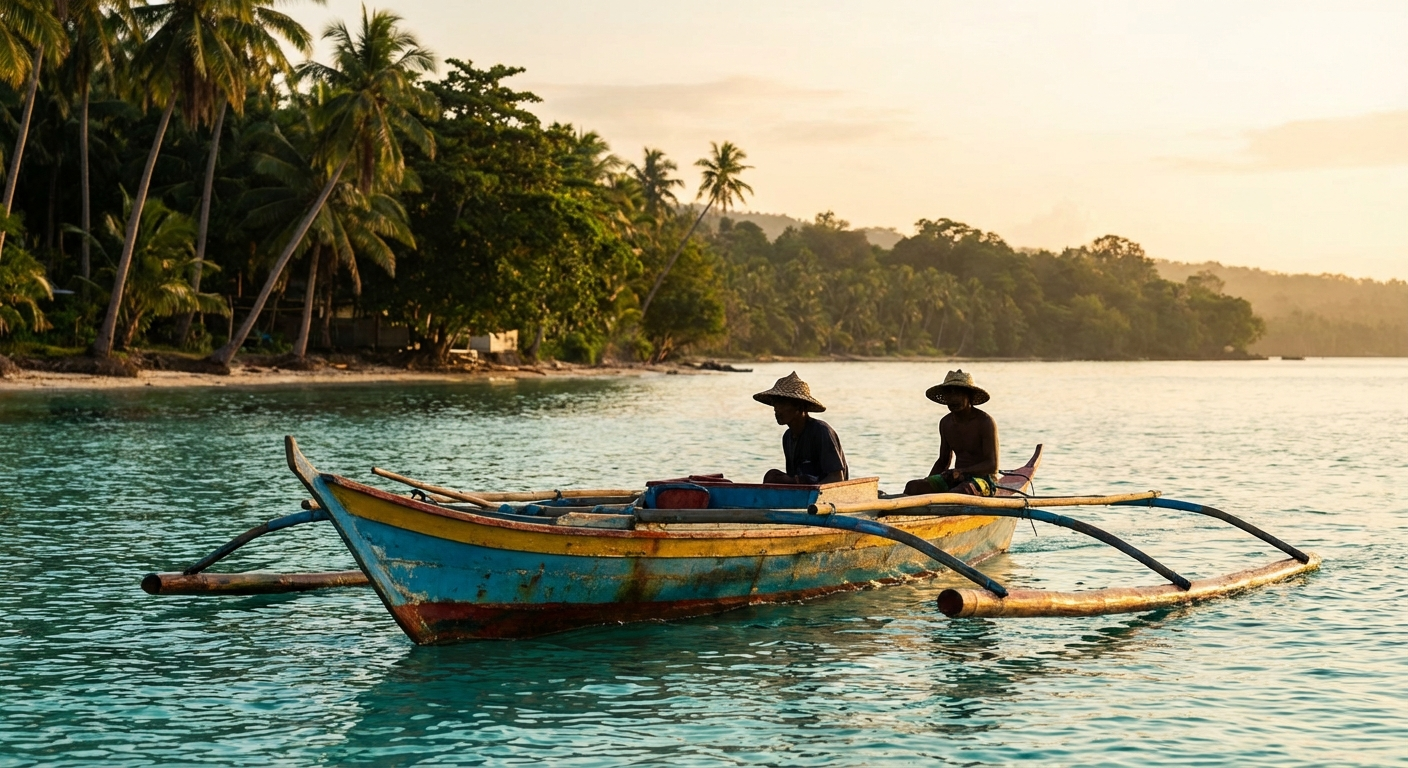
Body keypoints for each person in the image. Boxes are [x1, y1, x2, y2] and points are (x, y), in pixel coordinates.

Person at [904, 369, 1000, 496]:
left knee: (960, 492)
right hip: (956, 477)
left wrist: (963, 471)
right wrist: (928, 481)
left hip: (983, 480)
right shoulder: (945, 423)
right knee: (913, 487)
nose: (953, 399)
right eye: (949, 394)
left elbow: (992, 465)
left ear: (969, 396)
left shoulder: (985, 422)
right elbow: (943, 461)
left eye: (958, 394)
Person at [753, 372, 849, 485]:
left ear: (800, 406)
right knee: (772, 476)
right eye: (775, 404)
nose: (776, 409)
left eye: (782, 404)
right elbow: (793, 476)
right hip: (803, 489)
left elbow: (837, 478)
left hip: (825, 494)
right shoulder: (788, 437)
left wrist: (811, 491)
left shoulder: (821, 431)